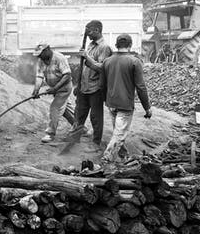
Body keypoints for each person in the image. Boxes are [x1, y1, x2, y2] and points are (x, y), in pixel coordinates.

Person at [99, 34, 152, 166]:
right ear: (130, 45)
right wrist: (147, 107)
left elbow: (102, 85)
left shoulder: (107, 61)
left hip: (111, 103)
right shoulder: (134, 62)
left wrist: (106, 100)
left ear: (116, 45)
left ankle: (124, 156)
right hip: (125, 105)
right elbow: (140, 87)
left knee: (118, 132)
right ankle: (107, 158)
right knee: (119, 134)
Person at [65, 20, 113, 149]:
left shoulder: (104, 47)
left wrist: (87, 57)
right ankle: (74, 142)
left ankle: (96, 143)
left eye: (89, 31)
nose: (87, 34)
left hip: (96, 88)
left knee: (95, 118)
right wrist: (78, 85)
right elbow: (84, 68)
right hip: (84, 87)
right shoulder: (90, 45)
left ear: (97, 30)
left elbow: (102, 68)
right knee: (79, 115)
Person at [31, 43, 73, 143]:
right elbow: (40, 76)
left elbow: (67, 75)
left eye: (41, 54)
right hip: (55, 89)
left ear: (47, 50)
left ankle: (50, 134)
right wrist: (36, 90)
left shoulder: (59, 58)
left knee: (54, 108)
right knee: (66, 111)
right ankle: (82, 128)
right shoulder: (41, 60)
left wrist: (55, 88)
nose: (39, 57)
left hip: (64, 88)